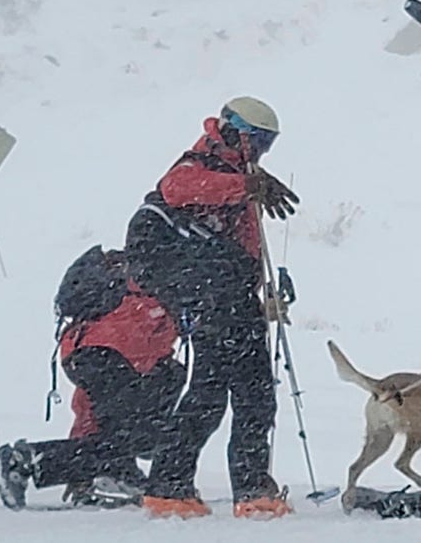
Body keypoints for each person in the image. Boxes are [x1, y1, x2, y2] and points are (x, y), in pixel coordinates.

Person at [124, 96, 299, 519]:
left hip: (221, 296)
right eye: (258, 142)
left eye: (267, 146)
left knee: (215, 392)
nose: (260, 153)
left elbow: (243, 245)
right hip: (211, 296)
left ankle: (171, 486)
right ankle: (248, 488)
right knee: (246, 391)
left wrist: (259, 292)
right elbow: (176, 188)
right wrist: (247, 184)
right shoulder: (202, 164)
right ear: (236, 132)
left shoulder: (237, 174)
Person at [0, 247, 184, 510]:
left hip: (85, 350)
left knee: (123, 429)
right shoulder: (171, 281)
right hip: (114, 353)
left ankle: (106, 473)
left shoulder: (135, 285)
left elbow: (89, 410)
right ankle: (25, 461)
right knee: (139, 432)